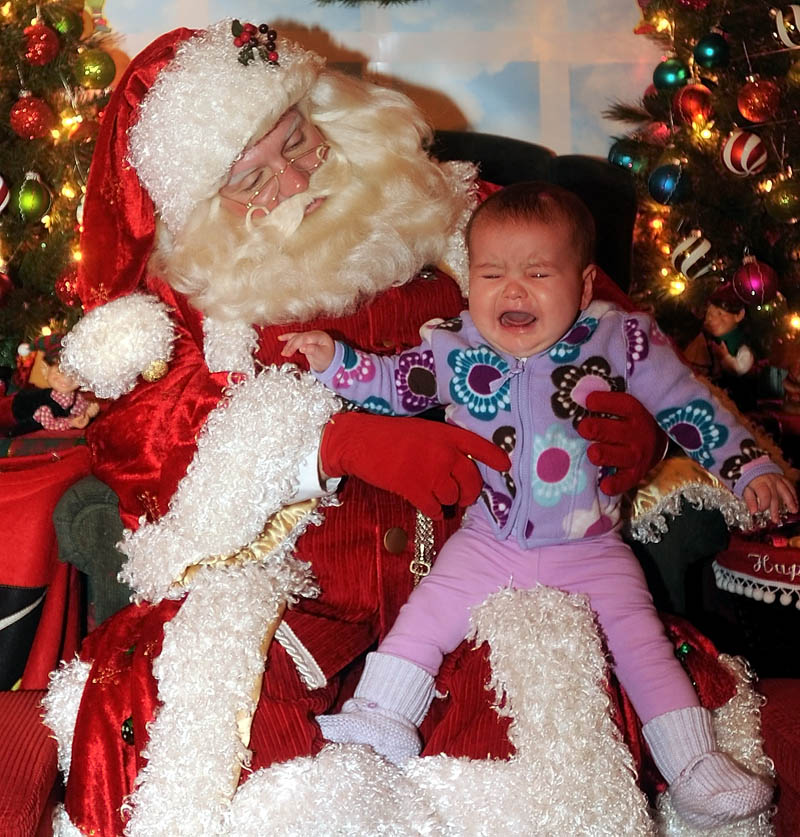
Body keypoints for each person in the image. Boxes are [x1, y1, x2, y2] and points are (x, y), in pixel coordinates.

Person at [43, 20, 720, 836]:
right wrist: (337, 442)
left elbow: (616, 330)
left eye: (299, 142)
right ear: (200, 207)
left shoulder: (453, 215)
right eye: (251, 180)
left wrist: (636, 427)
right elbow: (138, 441)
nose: (294, 182)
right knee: (214, 724)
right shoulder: (188, 293)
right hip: (296, 596)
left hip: (478, 571)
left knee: (549, 725)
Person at [280, 181, 796, 829]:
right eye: (492, 273)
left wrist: (750, 468)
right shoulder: (455, 346)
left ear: (582, 289)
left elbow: (688, 406)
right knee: (424, 618)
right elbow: (395, 382)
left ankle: (693, 765)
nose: (513, 290)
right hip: (487, 538)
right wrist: (336, 361)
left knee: (643, 644)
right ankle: (377, 721)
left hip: (590, 547)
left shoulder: (620, 342)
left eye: (537, 272)